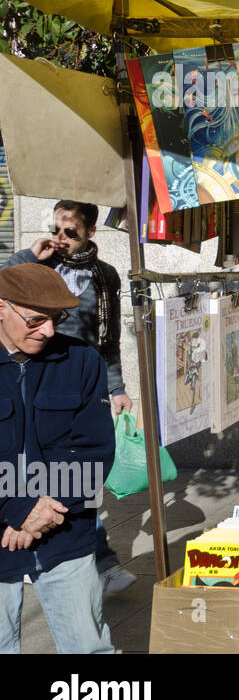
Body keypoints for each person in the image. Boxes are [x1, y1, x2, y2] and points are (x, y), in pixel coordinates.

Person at [4, 201, 136, 595]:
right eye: (55, 229)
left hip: (79, 375)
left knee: (73, 465)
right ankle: (98, 557)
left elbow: (108, 337)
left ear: (90, 234)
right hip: (31, 374)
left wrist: (116, 386)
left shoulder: (104, 276)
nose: (60, 239)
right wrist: (32, 256)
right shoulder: (37, 268)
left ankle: (101, 560)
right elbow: (6, 290)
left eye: (70, 233)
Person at [0, 262, 116, 653]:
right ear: (1, 308)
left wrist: (43, 513)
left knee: (89, 648)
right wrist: (16, 508)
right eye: (35, 320)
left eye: (55, 319)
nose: (49, 331)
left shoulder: (82, 360)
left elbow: (94, 450)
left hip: (65, 532)